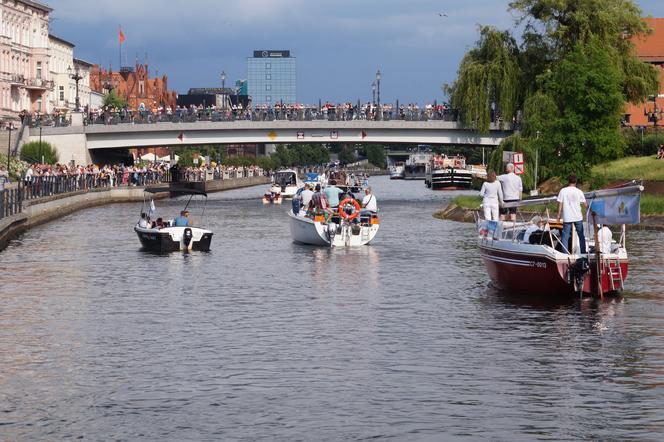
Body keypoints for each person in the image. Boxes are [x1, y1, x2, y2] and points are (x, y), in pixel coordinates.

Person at [556, 174, 588, 254]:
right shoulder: (579, 191)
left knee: (565, 236)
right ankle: (583, 252)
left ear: (568, 181)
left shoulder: (563, 191)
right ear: (576, 182)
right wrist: (592, 211)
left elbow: (560, 204)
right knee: (581, 236)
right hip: (578, 216)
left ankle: (565, 254)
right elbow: (585, 204)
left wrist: (558, 215)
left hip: (567, 217)